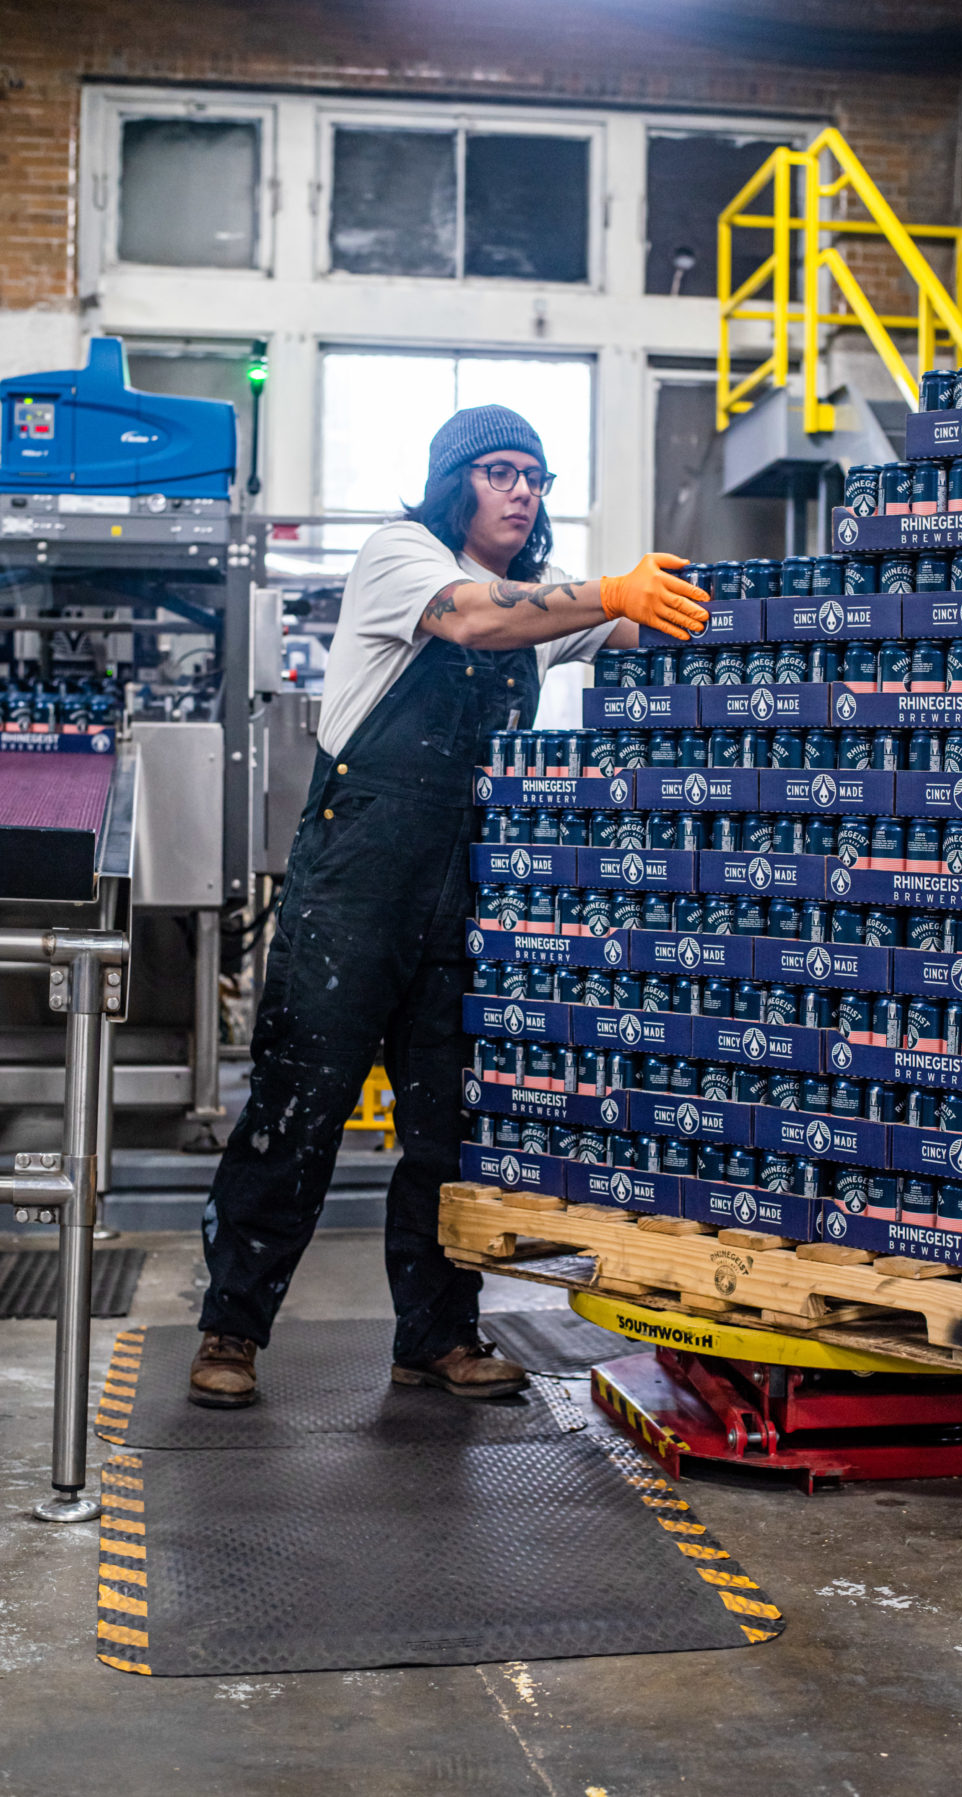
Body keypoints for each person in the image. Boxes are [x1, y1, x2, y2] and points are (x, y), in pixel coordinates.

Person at [189, 403, 709, 1407]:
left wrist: (684, 602)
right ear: (454, 480)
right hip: (355, 886)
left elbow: (589, 621)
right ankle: (230, 1330)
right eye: (504, 472)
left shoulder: (529, 602)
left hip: (463, 897)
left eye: (540, 478)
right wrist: (608, 588)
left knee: (447, 1127)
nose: (526, 492)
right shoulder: (401, 557)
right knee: (301, 1111)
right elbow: (474, 616)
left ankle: (435, 1336)